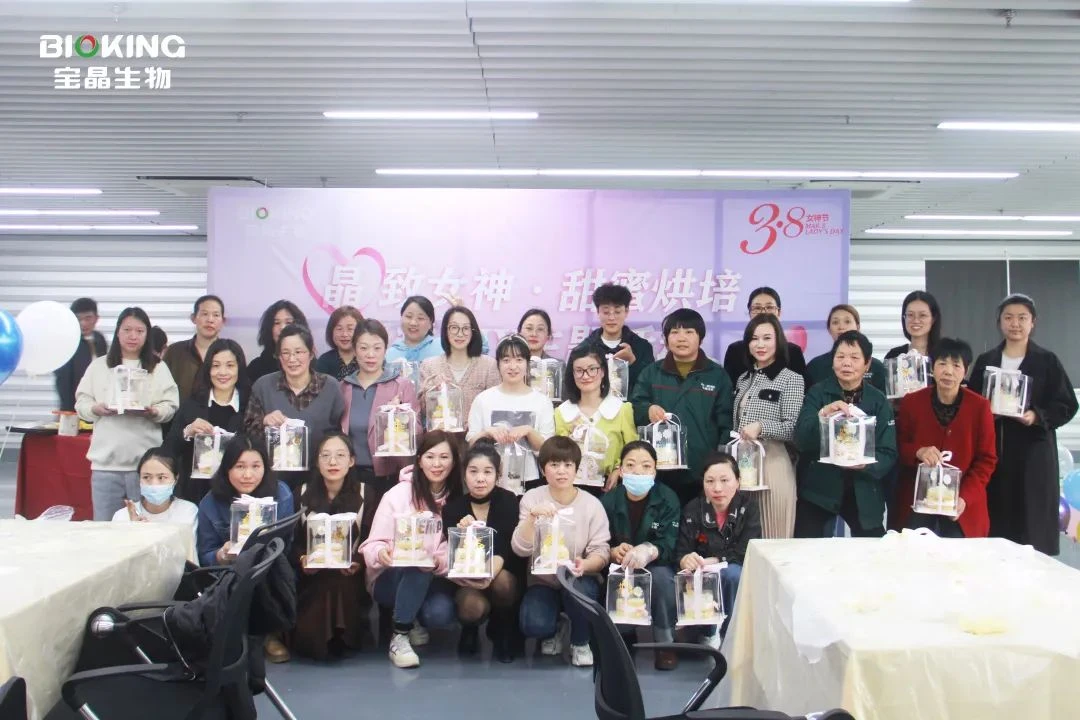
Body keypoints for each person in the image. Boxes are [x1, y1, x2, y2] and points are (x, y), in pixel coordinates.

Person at [969, 294, 1078, 555]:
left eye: (1022, 318)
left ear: (1033, 322)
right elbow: (971, 402)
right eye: (1008, 317)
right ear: (999, 322)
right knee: (998, 527)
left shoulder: (1047, 361)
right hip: (995, 453)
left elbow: (1066, 404)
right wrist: (986, 413)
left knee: (1033, 527)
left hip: (1034, 455)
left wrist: (1036, 416)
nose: (1015, 323)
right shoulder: (986, 360)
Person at [359, 431, 462, 669]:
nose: (437, 464)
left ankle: (410, 613)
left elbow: (454, 549)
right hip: (390, 577)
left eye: (444, 457)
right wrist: (382, 553)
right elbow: (373, 544)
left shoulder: (457, 499)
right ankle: (400, 636)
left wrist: (439, 561)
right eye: (430, 457)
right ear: (419, 461)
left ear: (454, 462)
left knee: (440, 613)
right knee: (418, 565)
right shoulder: (397, 495)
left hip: (432, 577)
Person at [195, 434, 295, 662]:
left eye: (255, 466)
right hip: (229, 570)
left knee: (269, 568)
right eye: (240, 466)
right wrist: (222, 554)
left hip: (269, 568)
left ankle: (268, 634)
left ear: (265, 468)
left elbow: (287, 544)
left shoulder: (281, 494)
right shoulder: (210, 502)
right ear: (227, 468)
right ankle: (234, 636)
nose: (248, 475)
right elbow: (204, 554)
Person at [513, 437, 611, 667]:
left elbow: (601, 551)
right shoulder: (532, 498)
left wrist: (585, 565)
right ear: (542, 469)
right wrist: (532, 518)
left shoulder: (592, 504)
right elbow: (520, 549)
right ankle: (556, 627)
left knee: (580, 593)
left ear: (576, 469)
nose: (561, 471)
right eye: (554, 464)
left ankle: (580, 642)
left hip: (579, 578)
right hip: (543, 580)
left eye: (568, 465)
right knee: (533, 624)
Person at [75, 307, 179, 520]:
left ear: (147, 335)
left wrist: (154, 412)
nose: (133, 336)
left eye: (140, 331)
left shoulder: (158, 367)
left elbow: (171, 406)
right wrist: (96, 409)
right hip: (105, 464)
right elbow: (82, 403)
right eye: (127, 330)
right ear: (117, 332)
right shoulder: (99, 366)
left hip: (146, 467)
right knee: (105, 525)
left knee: (145, 526)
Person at [793, 331, 897, 538]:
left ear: (867, 364)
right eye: (840, 357)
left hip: (864, 489)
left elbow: (888, 452)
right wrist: (823, 415)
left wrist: (866, 464)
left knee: (874, 548)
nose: (846, 363)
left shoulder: (878, 401)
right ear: (832, 362)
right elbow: (801, 439)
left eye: (854, 357)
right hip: (819, 488)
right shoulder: (817, 393)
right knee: (806, 548)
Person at [894, 338, 997, 537]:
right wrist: (918, 451)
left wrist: (964, 498)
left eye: (956, 365)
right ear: (932, 367)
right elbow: (899, 445)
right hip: (917, 502)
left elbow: (986, 460)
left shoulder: (980, 407)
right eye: (942, 363)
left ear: (966, 371)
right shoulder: (912, 402)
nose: (948, 371)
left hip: (961, 507)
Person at [630, 308, 734, 507]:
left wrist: (719, 463)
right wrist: (647, 410)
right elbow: (635, 407)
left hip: (702, 472)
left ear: (700, 337)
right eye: (675, 332)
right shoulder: (652, 373)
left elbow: (726, 422)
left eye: (689, 332)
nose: (681, 338)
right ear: (666, 338)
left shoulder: (717, 375)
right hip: (659, 470)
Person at [441, 441, 524, 662]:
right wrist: (462, 534)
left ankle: (502, 630)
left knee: (504, 583)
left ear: (497, 475)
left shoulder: (509, 500)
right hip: (467, 578)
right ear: (464, 474)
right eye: (473, 471)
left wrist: (489, 575)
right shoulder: (452, 508)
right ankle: (470, 630)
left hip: (499, 571)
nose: (480, 479)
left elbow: (505, 544)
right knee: (471, 607)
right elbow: (455, 556)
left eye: (487, 472)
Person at [601, 441, 680, 670]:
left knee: (663, 579)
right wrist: (612, 551)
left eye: (646, 466)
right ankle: (624, 639)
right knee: (615, 581)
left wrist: (649, 550)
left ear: (655, 470)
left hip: (655, 564)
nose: (638, 472)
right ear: (621, 470)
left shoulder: (668, 498)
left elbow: (671, 543)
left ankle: (665, 643)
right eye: (630, 465)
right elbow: (597, 541)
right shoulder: (609, 501)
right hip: (619, 566)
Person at [339, 318, 421, 539]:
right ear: (354, 350)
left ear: (386, 349)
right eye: (363, 348)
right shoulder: (344, 387)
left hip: (388, 476)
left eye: (377, 348)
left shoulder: (401, 385)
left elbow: (418, 433)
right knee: (353, 537)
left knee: (385, 538)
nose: (370, 354)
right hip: (351, 477)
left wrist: (400, 417)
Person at [244, 324, 346, 493]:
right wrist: (264, 421)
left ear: (311, 353)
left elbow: (340, 431)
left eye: (299, 352)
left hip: (319, 480)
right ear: (279, 356)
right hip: (273, 480)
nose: (292, 359)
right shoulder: (263, 386)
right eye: (286, 353)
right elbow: (248, 433)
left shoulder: (331, 387)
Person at [291, 431, 367, 660]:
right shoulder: (301, 493)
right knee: (321, 584)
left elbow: (372, 539)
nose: (332, 462)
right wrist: (302, 559)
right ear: (317, 461)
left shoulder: (367, 493)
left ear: (351, 461)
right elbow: (292, 541)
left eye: (340, 455)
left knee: (339, 582)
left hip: (350, 575)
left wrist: (358, 562)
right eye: (325, 455)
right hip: (311, 576)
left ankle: (343, 638)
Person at [676, 452, 761, 643]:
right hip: (699, 575)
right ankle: (706, 632)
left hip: (732, 573)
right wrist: (686, 559)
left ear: (738, 482)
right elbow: (681, 551)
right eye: (710, 481)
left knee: (732, 574)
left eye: (725, 480)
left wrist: (715, 561)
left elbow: (745, 551)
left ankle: (731, 636)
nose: (717, 488)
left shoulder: (749, 508)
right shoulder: (693, 509)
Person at [733, 314, 804, 539]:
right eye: (754, 339)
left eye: (767, 338)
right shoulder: (743, 379)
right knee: (744, 538)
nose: (760, 345)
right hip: (744, 464)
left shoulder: (791, 379)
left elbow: (792, 428)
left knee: (774, 536)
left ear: (778, 341)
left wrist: (761, 427)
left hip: (774, 462)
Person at [467, 335, 556, 494]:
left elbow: (547, 451)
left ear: (527, 363)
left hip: (529, 480)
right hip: (490, 480)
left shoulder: (542, 401)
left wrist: (529, 431)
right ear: (498, 364)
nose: (513, 366)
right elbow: (471, 444)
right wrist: (487, 432)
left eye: (519, 360)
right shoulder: (483, 399)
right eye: (506, 360)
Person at [165, 339, 250, 503]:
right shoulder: (192, 404)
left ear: (239, 368)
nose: (222, 372)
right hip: (194, 494)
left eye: (230, 365)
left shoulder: (250, 405)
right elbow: (168, 450)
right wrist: (188, 432)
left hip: (237, 494)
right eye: (216, 365)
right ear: (208, 369)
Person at [555, 345, 637, 494]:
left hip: (611, 487)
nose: (585, 376)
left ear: (603, 371)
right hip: (570, 487)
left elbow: (633, 449)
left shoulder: (621, 409)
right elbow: (557, 454)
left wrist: (619, 471)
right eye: (579, 370)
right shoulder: (562, 412)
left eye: (592, 369)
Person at [418, 305, 500, 434]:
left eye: (466, 328)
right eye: (454, 327)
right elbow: (423, 412)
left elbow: (495, 407)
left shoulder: (489, 365)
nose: (460, 334)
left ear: (473, 331)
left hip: (478, 439)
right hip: (441, 440)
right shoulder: (429, 366)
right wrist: (433, 391)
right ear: (445, 331)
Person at [111, 447, 199, 560]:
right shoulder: (122, 516)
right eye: (146, 477)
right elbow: (116, 560)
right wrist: (132, 534)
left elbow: (185, 557)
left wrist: (149, 535)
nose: (154, 484)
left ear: (176, 479)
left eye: (162, 477)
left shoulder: (187, 511)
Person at [573, 283, 655, 396]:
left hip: (631, 406)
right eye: (606, 312)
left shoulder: (642, 347)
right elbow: (573, 387)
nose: (611, 318)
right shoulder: (584, 348)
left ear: (626, 312)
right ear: (598, 312)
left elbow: (650, 387)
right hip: (594, 406)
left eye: (617, 312)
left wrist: (632, 363)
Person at [722, 287, 807, 386]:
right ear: (749, 313)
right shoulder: (735, 351)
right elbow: (728, 389)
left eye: (769, 307)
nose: (763, 313)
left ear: (779, 313)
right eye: (757, 308)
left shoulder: (793, 352)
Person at [805, 304, 887, 392]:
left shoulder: (876, 367)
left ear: (858, 327)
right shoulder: (815, 366)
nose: (841, 327)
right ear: (829, 329)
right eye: (835, 322)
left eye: (847, 321)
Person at [164, 295, 227, 401]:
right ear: (193, 318)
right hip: (179, 411)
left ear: (223, 321)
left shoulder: (229, 353)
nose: (210, 320)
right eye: (204, 314)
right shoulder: (174, 352)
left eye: (216, 315)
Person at [54, 297, 107, 411]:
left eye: (88, 318)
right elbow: (63, 381)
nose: (83, 323)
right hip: (74, 406)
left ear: (96, 318)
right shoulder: (67, 343)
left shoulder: (100, 339)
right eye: (78, 319)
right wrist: (67, 410)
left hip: (98, 404)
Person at [247, 300, 309, 382]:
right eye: (276, 323)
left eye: (288, 322)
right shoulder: (256, 367)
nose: (282, 327)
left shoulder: (309, 363)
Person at [386, 296, 444, 365]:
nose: (413, 323)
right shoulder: (389, 354)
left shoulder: (442, 347)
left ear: (430, 323)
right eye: (408, 316)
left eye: (420, 318)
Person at [884, 290, 941, 360]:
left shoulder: (943, 354)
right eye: (910, 315)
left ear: (933, 319)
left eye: (922, 315)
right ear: (904, 317)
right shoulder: (894, 355)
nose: (916, 320)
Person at [315, 305, 364, 380]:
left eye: (350, 329)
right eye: (339, 329)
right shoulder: (324, 361)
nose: (344, 334)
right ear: (331, 331)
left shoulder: (368, 359)